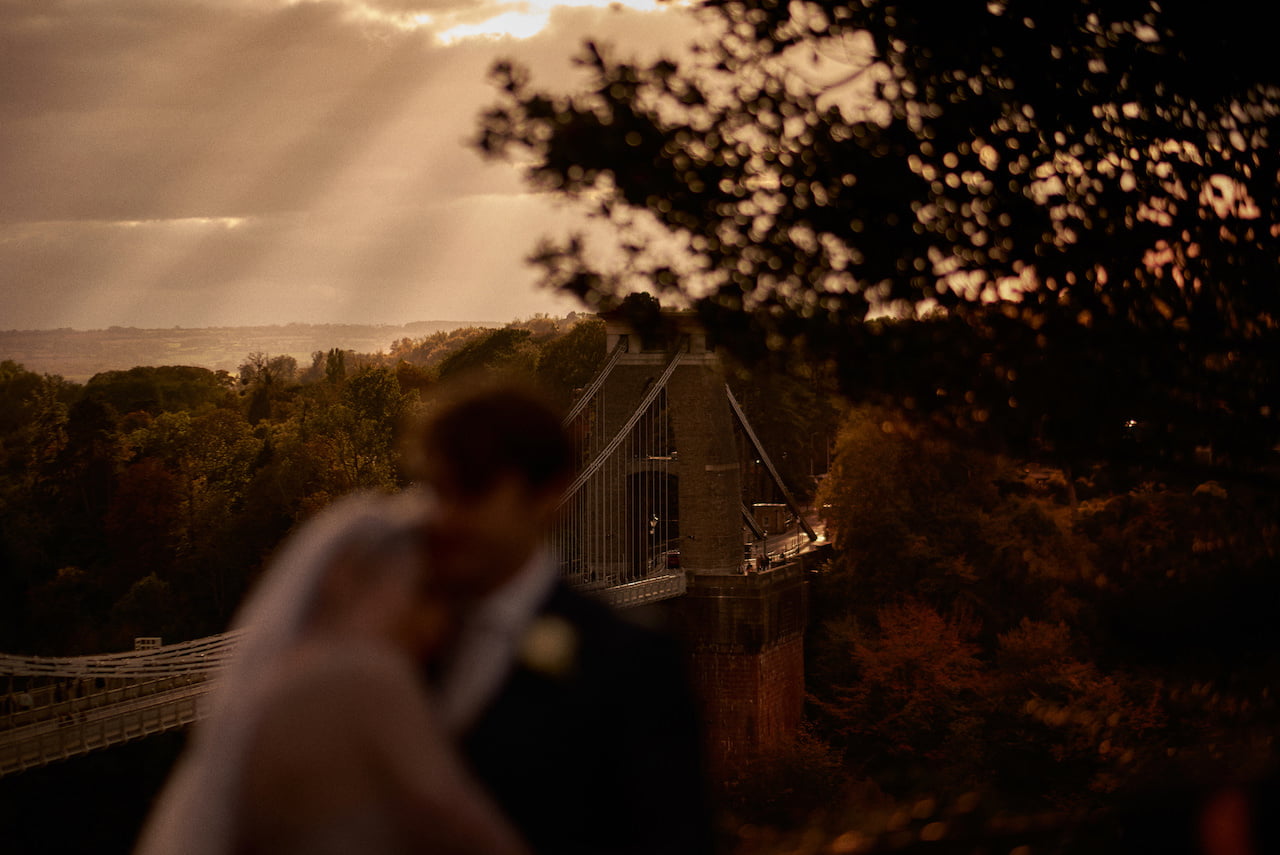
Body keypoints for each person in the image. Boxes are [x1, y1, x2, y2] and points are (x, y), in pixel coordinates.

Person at [404, 378, 715, 855]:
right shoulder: (395, 639)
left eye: (473, 489)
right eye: (436, 490)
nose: (444, 516)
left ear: (547, 494)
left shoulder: (631, 661)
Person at [133, 490, 529, 855]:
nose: (435, 623)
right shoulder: (366, 673)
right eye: (423, 590)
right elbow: (470, 833)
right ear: (343, 575)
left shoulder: (272, 678)